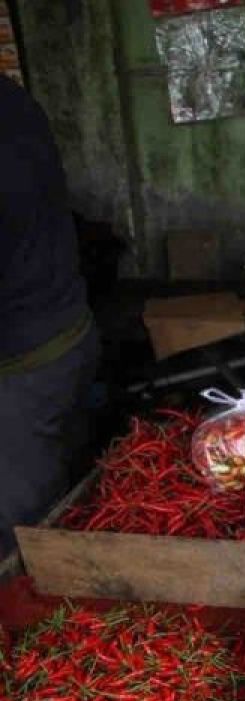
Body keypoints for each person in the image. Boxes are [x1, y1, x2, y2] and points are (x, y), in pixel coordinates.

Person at [0, 75, 99, 564]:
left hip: (22, 369)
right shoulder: (13, 98)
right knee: (68, 501)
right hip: (64, 331)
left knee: (25, 541)